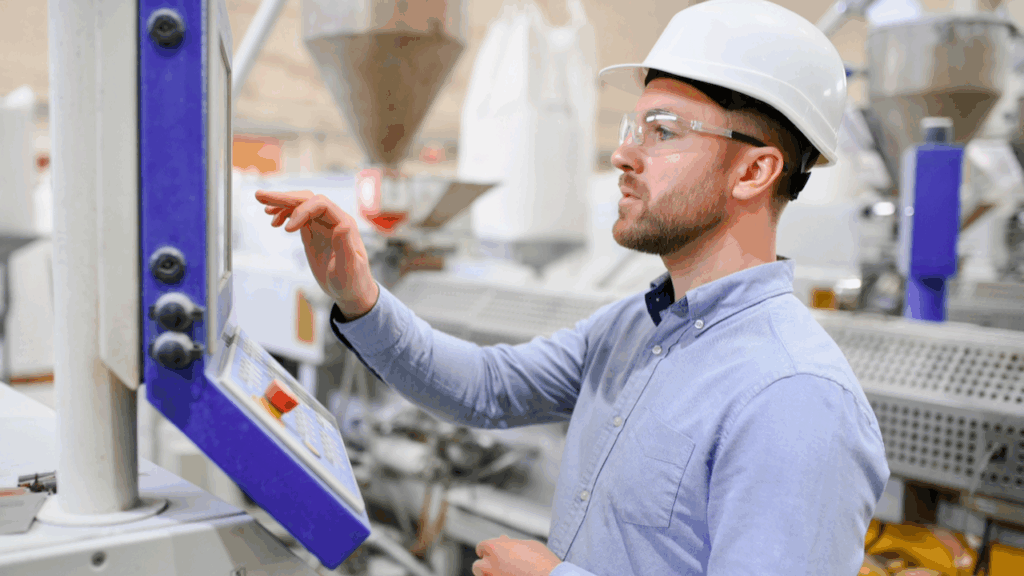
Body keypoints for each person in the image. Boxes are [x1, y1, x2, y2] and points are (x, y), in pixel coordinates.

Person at [256, 1, 889, 574]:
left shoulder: (796, 400)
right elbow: (486, 388)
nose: (623, 156)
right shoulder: (634, 327)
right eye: (631, 129)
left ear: (754, 171)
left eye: (663, 131)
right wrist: (358, 295)